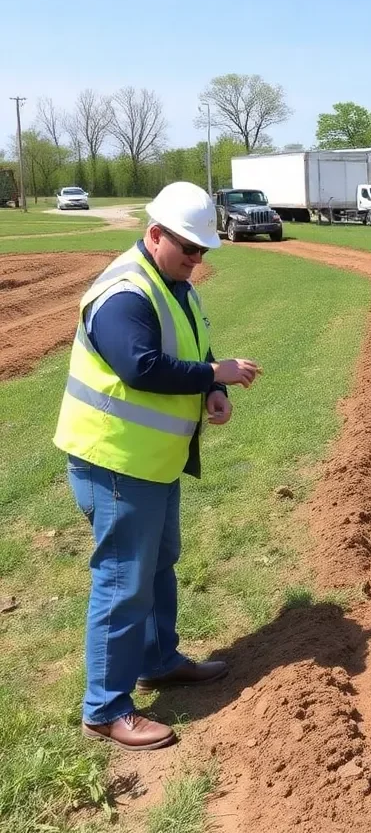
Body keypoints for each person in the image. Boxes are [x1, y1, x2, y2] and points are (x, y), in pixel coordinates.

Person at [53, 181, 262, 750]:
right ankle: (104, 708)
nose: (196, 261)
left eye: (203, 252)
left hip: (153, 462)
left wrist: (207, 394)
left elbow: (187, 357)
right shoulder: (124, 292)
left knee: (159, 563)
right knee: (123, 581)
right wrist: (213, 375)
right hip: (115, 462)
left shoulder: (176, 287)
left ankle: (158, 659)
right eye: (188, 249)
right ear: (154, 235)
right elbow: (141, 366)